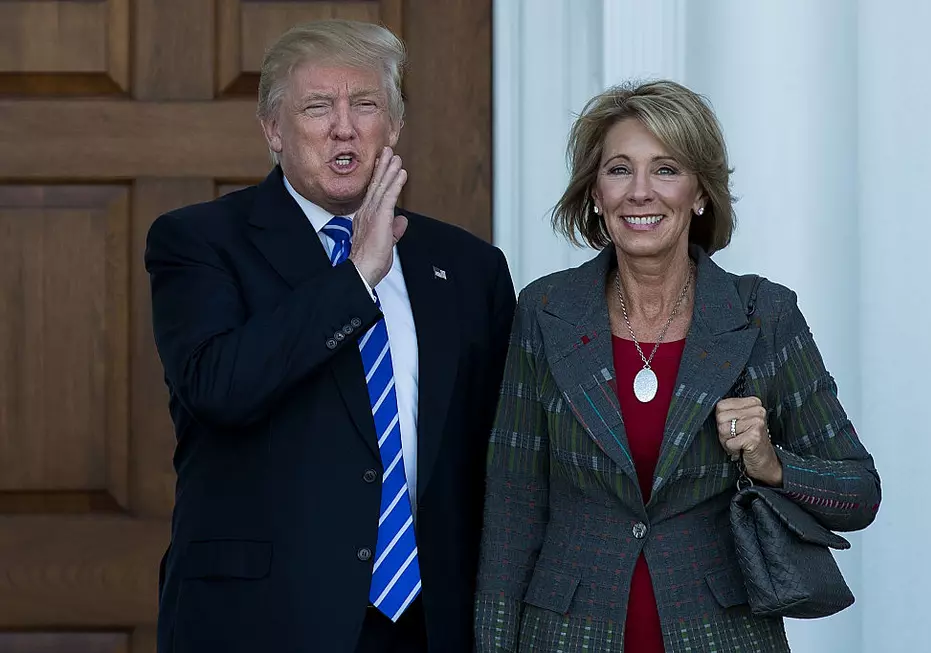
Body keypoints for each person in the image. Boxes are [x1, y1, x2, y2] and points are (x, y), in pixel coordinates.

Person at [145, 19, 516, 653]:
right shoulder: (199, 243)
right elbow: (219, 387)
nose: (344, 126)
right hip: (264, 621)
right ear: (272, 130)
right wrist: (357, 279)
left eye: (365, 105)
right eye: (318, 107)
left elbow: (498, 452)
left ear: (391, 128)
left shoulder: (470, 267)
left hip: (428, 624)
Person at [473, 80, 880, 653]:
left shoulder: (763, 314)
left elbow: (860, 492)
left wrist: (772, 464)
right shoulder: (545, 311)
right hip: (565, 634)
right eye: (619, 169)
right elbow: (513, 508)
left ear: (699, 193)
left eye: (665, 169)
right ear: (595, 192)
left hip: (720, 633)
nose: (641, 192)